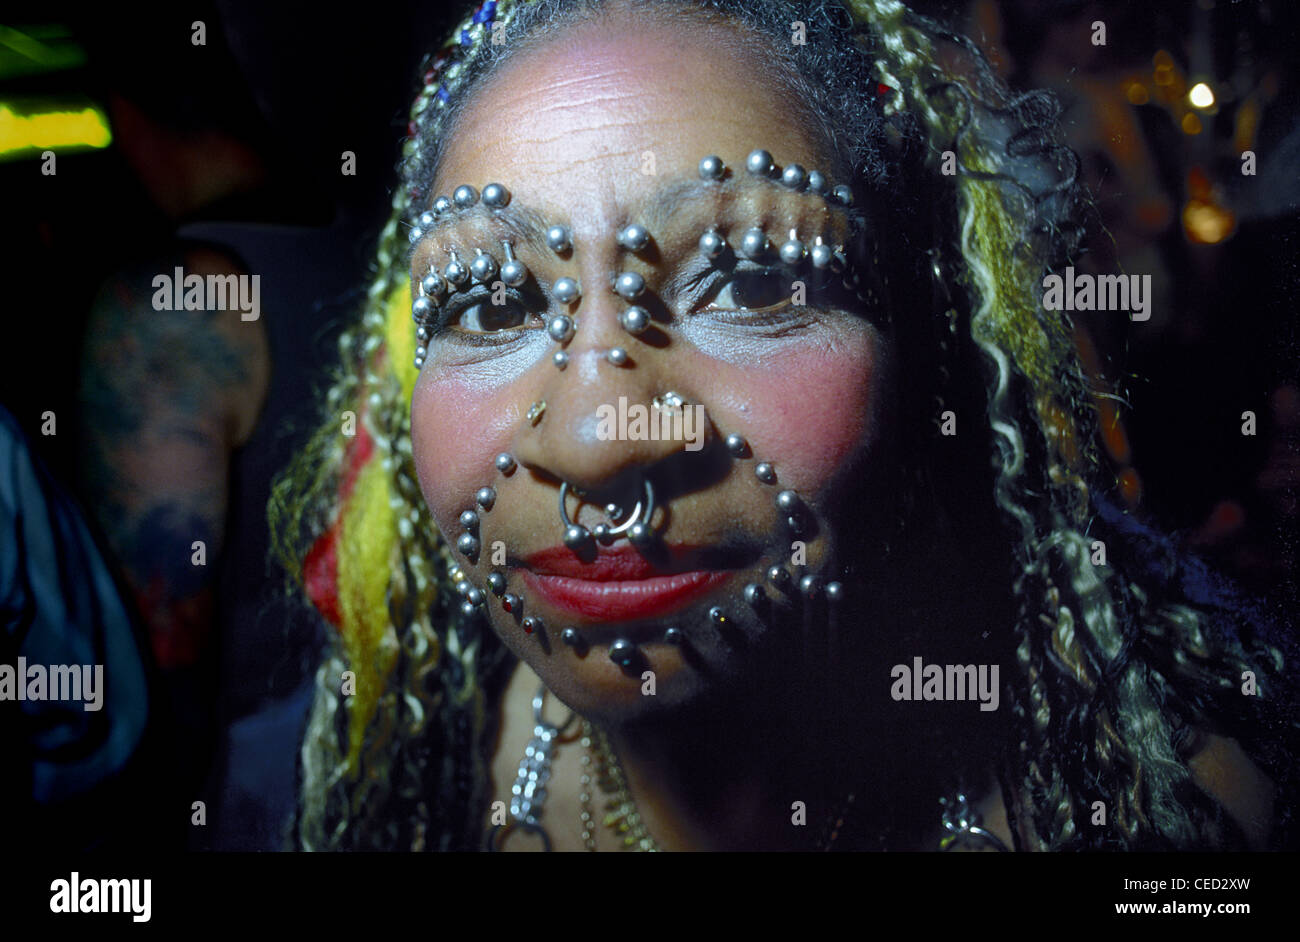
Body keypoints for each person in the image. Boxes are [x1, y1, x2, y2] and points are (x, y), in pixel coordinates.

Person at [269, 0, 1297, 851]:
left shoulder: (1183, 818)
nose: (594, 439)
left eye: (757, 280)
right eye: (492, 308)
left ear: (927, 342)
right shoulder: (415, 778)